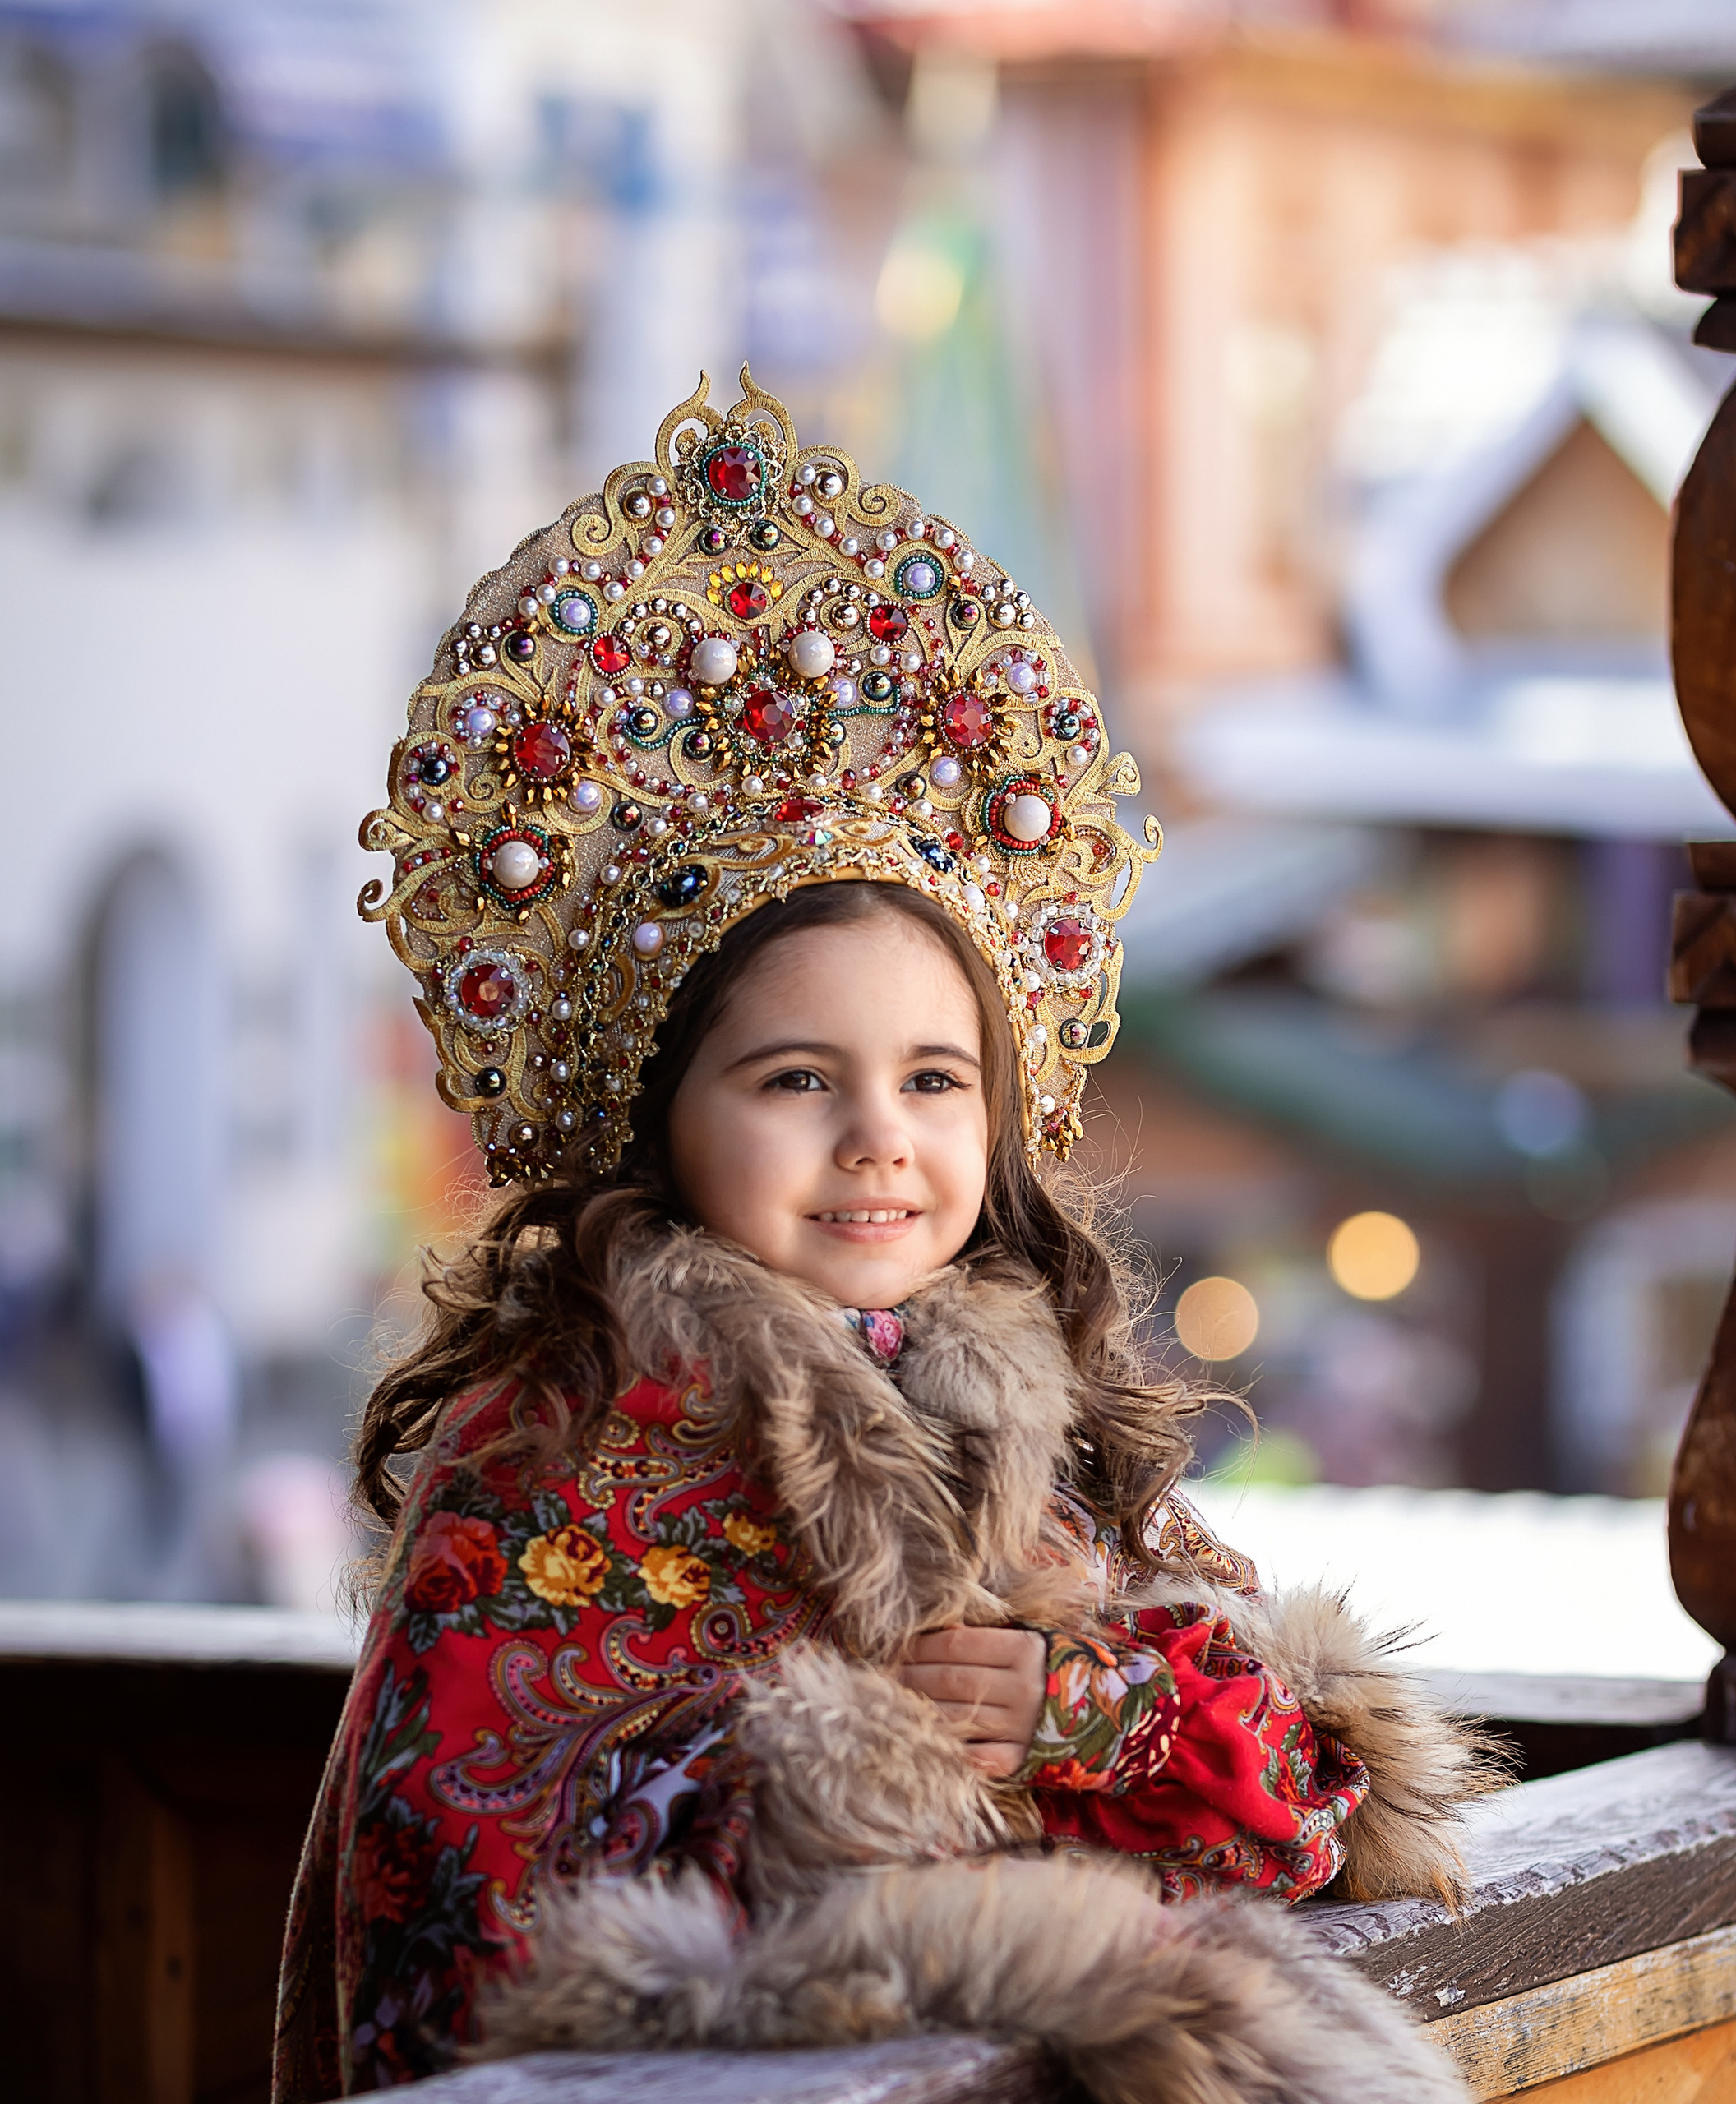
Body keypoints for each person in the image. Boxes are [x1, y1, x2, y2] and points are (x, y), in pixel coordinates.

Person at [275, 373, 1493, 2103]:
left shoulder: (1034, 1424)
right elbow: (455, 1906)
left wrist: (1082, 1709)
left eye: (932, 1076)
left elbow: (1320, 1794)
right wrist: (837, 1767)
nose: (879, 1141)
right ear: (662, 1116)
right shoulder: (547, 1437)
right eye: (793, 1078)